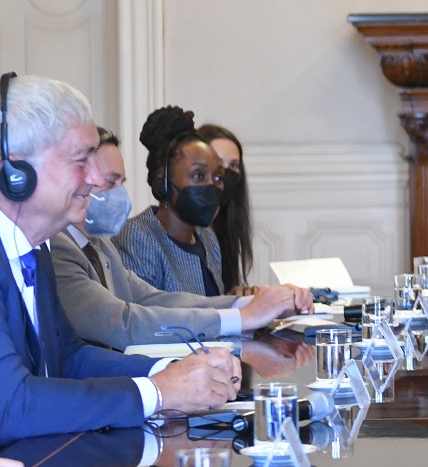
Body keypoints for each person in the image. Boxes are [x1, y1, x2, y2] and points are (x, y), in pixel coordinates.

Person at [0, 75, 241, 467]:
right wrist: (159, 392)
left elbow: (68, 358)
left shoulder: (29, 238)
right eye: (81, 161)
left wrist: (172, 371)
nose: (95, 178)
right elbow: (9, 407)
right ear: (15, 171)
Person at [51, 128, 308, 348]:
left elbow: (155, 299)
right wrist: (243, 317)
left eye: (122, 182)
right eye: (111, 182)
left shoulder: (100, 245)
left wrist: (253, 303)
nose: (121, 194)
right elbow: (124, 323)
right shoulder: (59, 248)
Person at [118, 107, 233, 296]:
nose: (211, 186)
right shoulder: (137, 236)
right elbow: (143, 311)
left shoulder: (207, 238)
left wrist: (237, 300)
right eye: (199, 175)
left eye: (218, 178)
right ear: (163, 180)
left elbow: (213, 307)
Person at [197, 123, 255, 291]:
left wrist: (238, 295)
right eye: (219, 163)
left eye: (234, 165)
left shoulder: (225, 225)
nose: (226, 173)